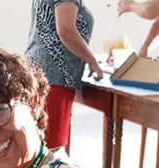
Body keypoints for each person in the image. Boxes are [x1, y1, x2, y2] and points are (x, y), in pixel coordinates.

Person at [25, 0, 104, 151]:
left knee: (39, 146)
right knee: (51, 149)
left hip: (41, 74)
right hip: (54, 77)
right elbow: (66, 32)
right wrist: (92, 61)